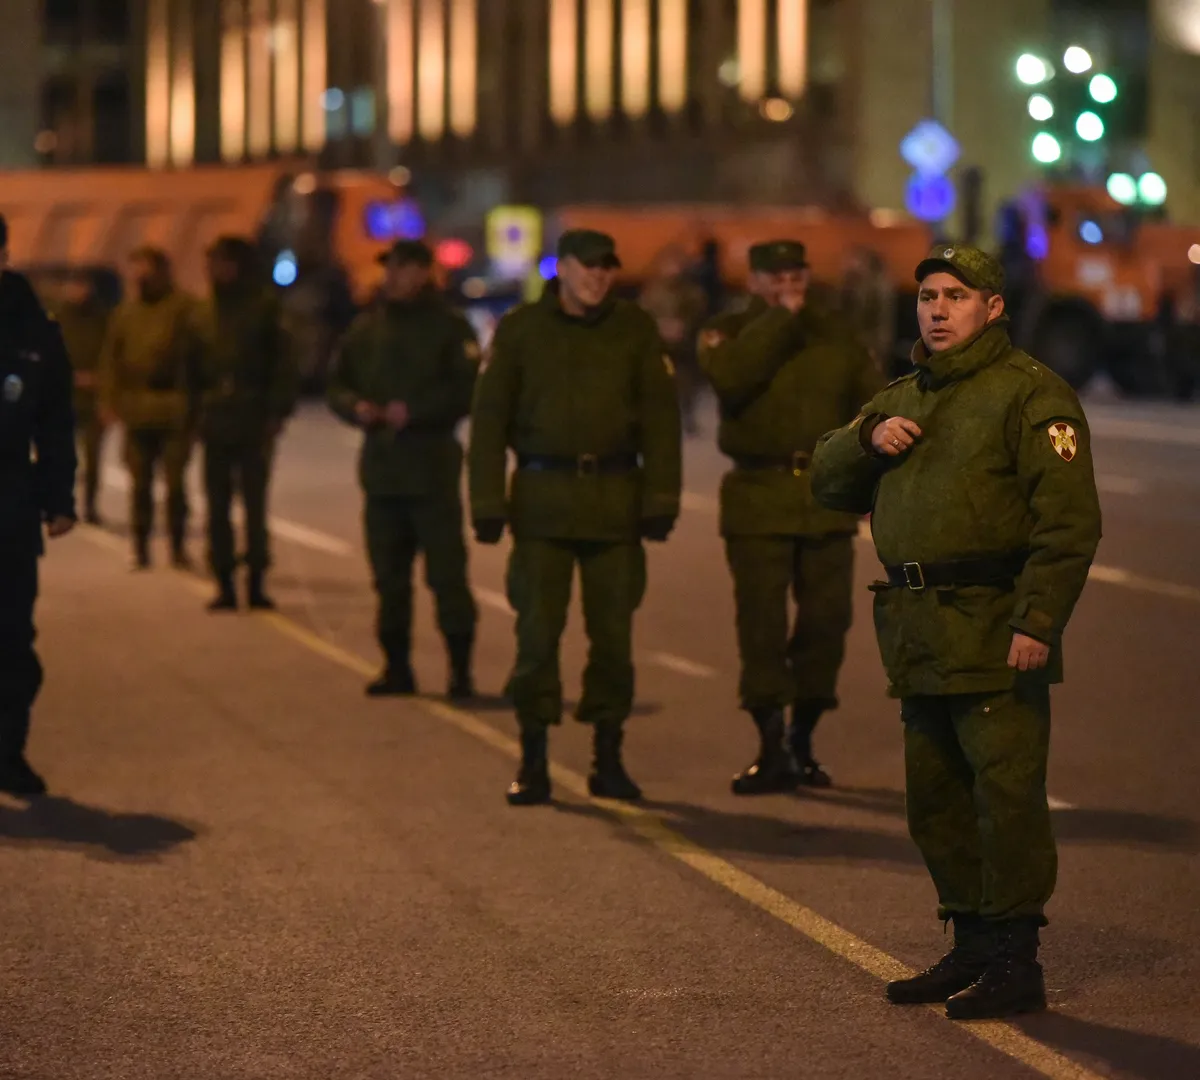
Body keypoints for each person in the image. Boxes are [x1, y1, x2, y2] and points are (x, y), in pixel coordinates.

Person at [810, 244, 1102, 1021]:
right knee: (934, 800)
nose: (937, 310)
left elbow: (1068, 527)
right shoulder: (906, 396)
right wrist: (867, 437)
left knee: (1004, 797)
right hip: (917, 631)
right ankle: (970, 943)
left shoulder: (1030, 397)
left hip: (992, 628)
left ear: (993, 307)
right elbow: (827, 481)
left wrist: (1038, 620)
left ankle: (1015, 958)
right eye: (929, 297)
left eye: (956, 297)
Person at [469, 229, 682, 807]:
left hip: (615, 506)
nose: (598, 277)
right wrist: (486, 504)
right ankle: (532, 756)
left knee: (613, 641)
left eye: (607, 268)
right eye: (587, 267)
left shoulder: (633, 331)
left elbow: (662, 423)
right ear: (561, 268)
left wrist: (662, 500)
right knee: (536, 636)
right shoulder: (521, 331)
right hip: (541, 506)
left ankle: (607, 757)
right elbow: (488, 424)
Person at [699, 240, 883, 794]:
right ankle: (769, 740)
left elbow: (871, 407)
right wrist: (779, 319)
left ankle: (803, 735)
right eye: (774, 274)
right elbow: (732, 379)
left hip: (825, 499)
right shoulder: (728, 331)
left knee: (827, 623)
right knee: (761, 625)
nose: (788, 281)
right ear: (753, 281)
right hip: (758, 494)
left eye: (796, 271)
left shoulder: (835, 333)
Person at [327, 240, 480, 699]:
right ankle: (396, 666)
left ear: (422, 273)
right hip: (383, 472)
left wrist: (415, 411)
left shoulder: (449, 328)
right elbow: (338, 383)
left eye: (401, 268)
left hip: (431, 469)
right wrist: (357, 407)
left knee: (447, 576)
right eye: (389, 268)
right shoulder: (367, 329)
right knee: (388, 579)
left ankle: (460, 670)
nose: (391, 277)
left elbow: (466, 391)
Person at [0, 215, 77, 796]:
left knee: (12, 642)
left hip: (9, 507)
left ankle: (7, 752)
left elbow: (54, 422)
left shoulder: (32, 329)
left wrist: (59, 498)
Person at [196, 236, 298, 611]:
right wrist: (192, 416)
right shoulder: (204, 311)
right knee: (217, 506)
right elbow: (190, 367)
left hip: (252, 417)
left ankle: (256, 580)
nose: (215, 270)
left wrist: (276, 412)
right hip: (216, 420)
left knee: (254, 505)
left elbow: (284, 364)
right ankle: (223, 580)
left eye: (221, 262)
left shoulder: (263, 308)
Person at [99, 247, 203, 570]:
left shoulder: (185, 309)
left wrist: (196, 406)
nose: (139, 277)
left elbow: (199, 360)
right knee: (140, 484)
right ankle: (141, 546)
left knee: (174, 485)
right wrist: (109, 401)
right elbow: (111, 361)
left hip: (174, 408)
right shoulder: (126, 313)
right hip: (137, 409)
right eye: (135, 270)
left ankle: (177, 546)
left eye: (145, 269)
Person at [54, 269, 112, 525]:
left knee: (93, 458)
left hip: (93, 399)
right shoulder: (56, 319)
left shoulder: (103, 319)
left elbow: (112, 355)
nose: (78, 291)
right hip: (62, 399)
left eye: (83, 285)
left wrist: (100, 379)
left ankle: (90, 505)